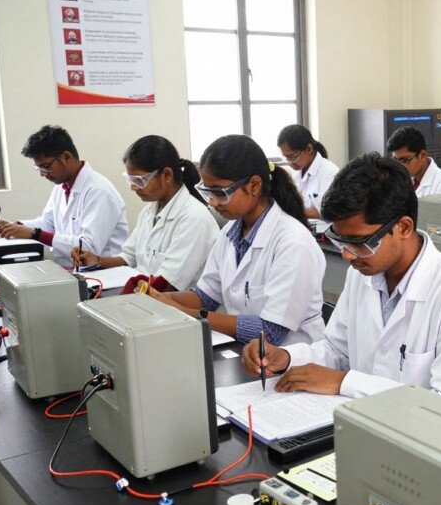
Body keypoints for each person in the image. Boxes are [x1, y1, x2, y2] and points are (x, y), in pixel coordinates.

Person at [240, 153, 441, 410]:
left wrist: (344, 383)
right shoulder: (363, 273)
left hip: (434, 444)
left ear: (404, 228)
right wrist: (286, 357)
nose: (348, 255)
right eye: (340, 241)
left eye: (359, 242)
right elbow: (337, 349)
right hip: (367, 424)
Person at [146, 135, 325, 347]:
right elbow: (206, 297)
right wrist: (157, 299)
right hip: (246, 352)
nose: (213, 203)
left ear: (254, 185)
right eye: (207, 193)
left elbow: (271, 331)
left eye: (220, 193)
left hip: (292, 360)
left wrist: (186, 313)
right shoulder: (231, 231)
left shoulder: (293, 243)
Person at [70, 135, 219, 292]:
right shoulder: (149, 212)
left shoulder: (194, 218)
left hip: (175, 307)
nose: (134, 187)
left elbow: (167, 284)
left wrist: (125, 296)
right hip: (147, 297)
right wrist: (96, 260)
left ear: (167, 175)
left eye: (140, 180)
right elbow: (129, 257)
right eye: (131, 180)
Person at [0, 125, 128, 269]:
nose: (43, 174)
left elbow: (87, 248)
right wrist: (15, 226)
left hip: (104, 275)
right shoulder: (61, 186)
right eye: (39, 169)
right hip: (71, 270)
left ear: (66, 157)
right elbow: (49, 223)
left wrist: (34, 234)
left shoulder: (99, 191)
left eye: (46, 167)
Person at [277, 124, 339, 220]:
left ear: (309, 149)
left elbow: (329, 213)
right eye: (286, 157)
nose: (289, 162)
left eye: (292, 157)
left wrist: (292, 210)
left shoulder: (330, 172)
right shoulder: (295, 171)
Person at [387, 126, 441, 197]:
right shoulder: (398, 180)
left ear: (422, 155)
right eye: (395, 160)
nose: (399, 166)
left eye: (404, 160)